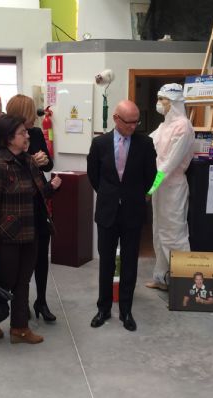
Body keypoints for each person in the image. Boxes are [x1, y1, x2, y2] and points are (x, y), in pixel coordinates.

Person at [0, 114, 61, 343]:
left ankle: (20, 328)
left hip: (31, 231)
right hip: (7, 235)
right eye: (22, 133)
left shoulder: (29, 161)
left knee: (23, 280)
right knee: (6, 281)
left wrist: (53, 187)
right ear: (8, 138)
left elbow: (39, 193)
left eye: (26, 132)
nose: (27, 136)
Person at [87, 100, 157, 332]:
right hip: (107, 212)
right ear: (116, 119)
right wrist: (109, 194)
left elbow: (152, 176)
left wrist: (140, 195)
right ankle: (103, 308)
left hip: (133, 212)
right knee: (106, 263)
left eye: (137, 122)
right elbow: (93, 175)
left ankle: (126, 310)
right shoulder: (100, 143)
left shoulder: (145, 143)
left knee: (129, 264)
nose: (133, 126)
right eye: (129, 122)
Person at [5, 94, 56, 322]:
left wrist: (44, 160)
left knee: (42, 256)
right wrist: (32, 161)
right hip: (17, 205)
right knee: (20, 260)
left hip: (37, 201)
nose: (35, 117)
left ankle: (41, 301)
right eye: (31, 112)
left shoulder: (34, 133)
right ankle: (20, 304)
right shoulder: (5, 136)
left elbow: (49, 164)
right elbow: (5, 167)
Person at [145, 83, 195, 291]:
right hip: (160, 187)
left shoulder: (183, 127)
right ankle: (162, 278)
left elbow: (168, 164)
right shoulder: (164, 126)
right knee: (159, 232)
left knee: (174, 234)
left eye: (162, 99)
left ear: (173, 102)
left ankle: (185, 286)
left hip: (172, 188)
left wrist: (151, 187)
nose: (159, 103)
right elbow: (147, 144)